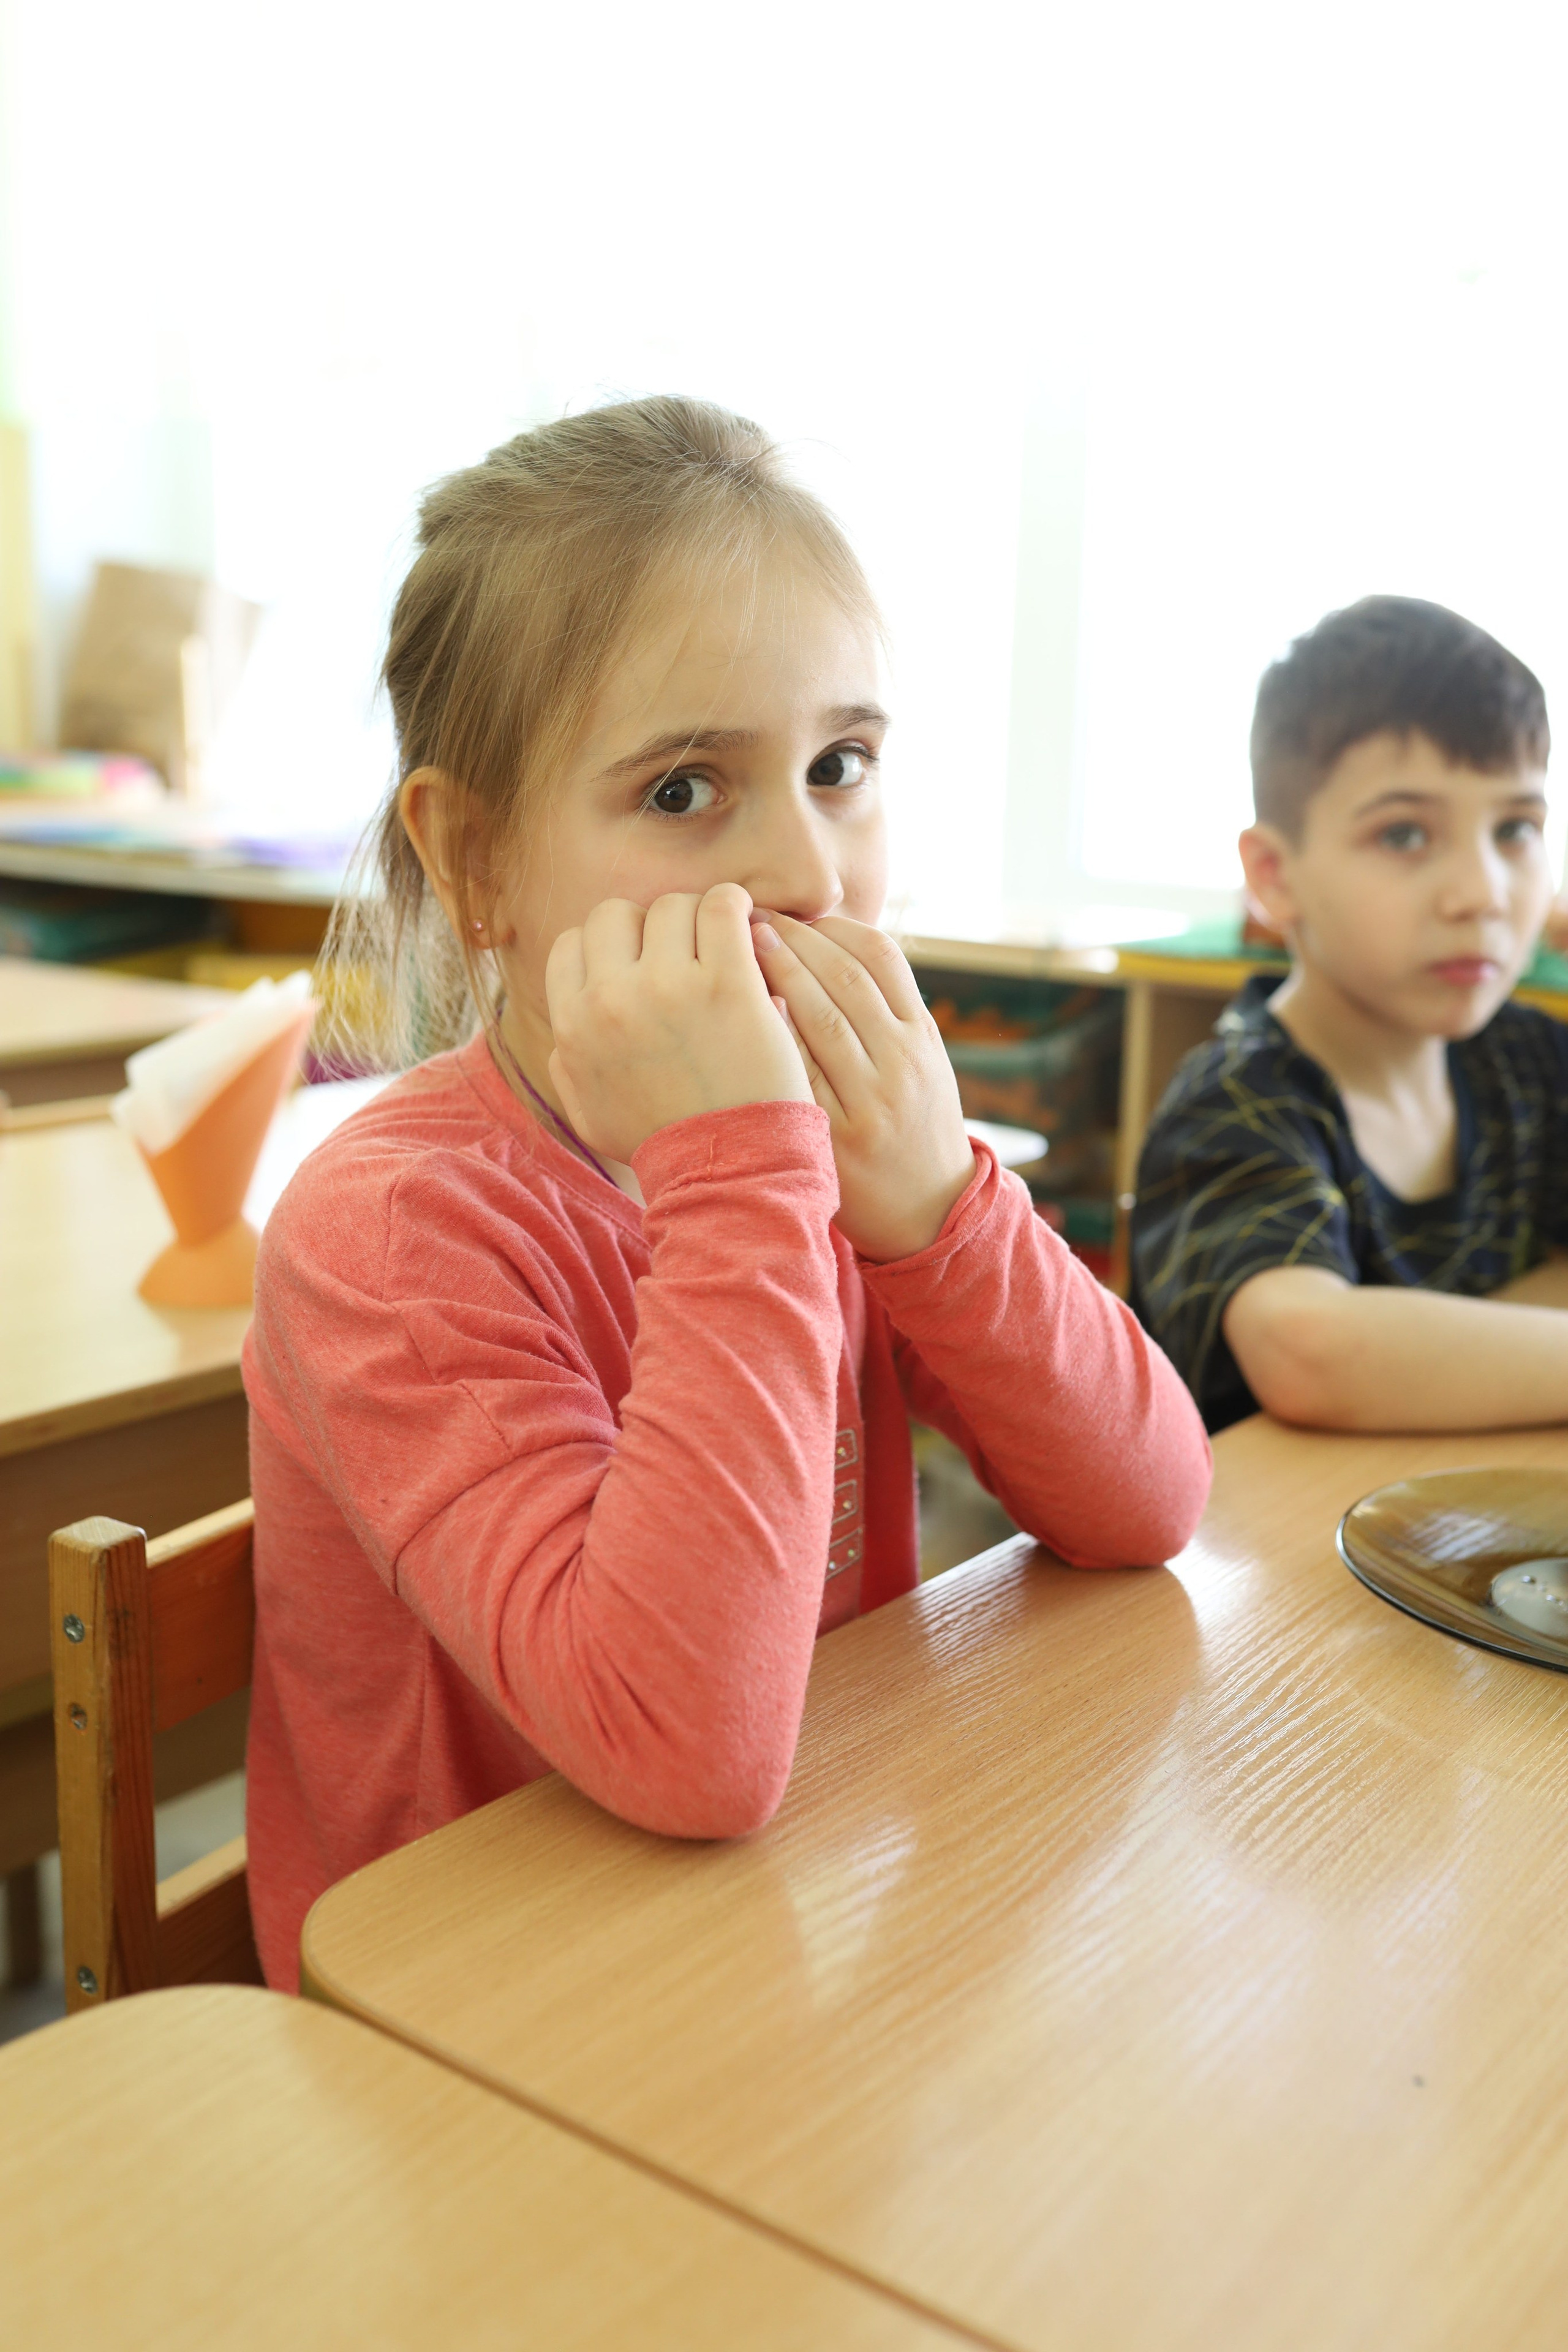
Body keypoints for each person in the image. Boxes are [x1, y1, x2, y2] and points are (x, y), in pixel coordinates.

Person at [243, 398, 1212, 1990]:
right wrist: (744, 1172)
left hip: (777, 1932)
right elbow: (681, 1744)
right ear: (476, 862)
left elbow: (1148, 1501)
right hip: (468, 2025)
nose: (811, 875)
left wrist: (933, 1206)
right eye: (687, 791)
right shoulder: (393, 1232)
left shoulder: (826, 1159)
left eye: (842, 766)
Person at [1131, 594, 1568, 1435]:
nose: (1481, 894)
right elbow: (1308, 1350)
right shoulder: (1235, 1101)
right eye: (1405, 836)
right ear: (1275, 877)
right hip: (1248, 1552)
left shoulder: (1526, 1058)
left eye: (1516, 829)